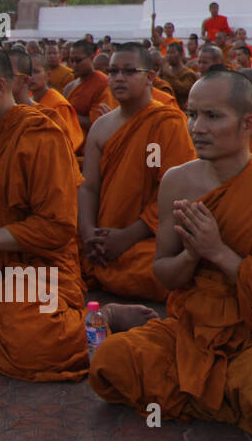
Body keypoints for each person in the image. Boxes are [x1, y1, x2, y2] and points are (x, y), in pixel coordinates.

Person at [89, 71, 252, 441]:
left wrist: (218, 252)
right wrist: (191, 256)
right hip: (193, 330)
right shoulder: (176, 182)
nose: (197, 127)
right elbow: (164, 274)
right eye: (192, 114)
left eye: (212, 116)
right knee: (111, 360)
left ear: (249, 123)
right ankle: (238, 406)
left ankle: (226, 398)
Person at [0, 43, 153, 382]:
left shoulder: (41, 136)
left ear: (0, 86)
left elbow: (59, 228)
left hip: (35, 271)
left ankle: (104, 317)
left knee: (31, 342)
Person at [78, 43, 196, 301]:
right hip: (102, 235)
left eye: (130, 71)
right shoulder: (101, 127)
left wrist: (127, 237)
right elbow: (88, 187)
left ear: (150, 77)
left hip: (146, 238)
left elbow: (174, 194)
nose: (119, 78)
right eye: (113, 72)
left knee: (168, 272)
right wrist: (87, 232)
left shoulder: (167, 122)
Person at [19, 52, 83, 152]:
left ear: (48, 75)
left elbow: (70, 142)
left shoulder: (58, 105)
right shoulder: (27, 100)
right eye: (27, 73)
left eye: (36, 72)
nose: (30, 77)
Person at [63, 39, 113, 138]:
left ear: (91, 58)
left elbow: (99, 122)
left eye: (78, 61)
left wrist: (69, 116)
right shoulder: (69, 87)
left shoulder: (102, 83)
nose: (74, 65)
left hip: (93, 141)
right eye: (71, 60)